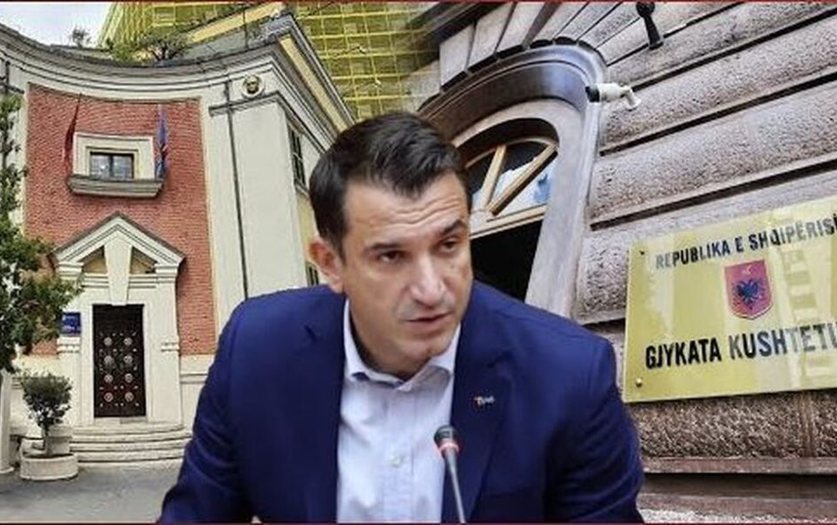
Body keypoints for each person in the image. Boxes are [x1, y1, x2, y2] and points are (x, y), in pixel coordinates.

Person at [159, 113, 644, 522]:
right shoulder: (255, 353)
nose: (432, 290)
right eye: (391, 256)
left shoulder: (569, 377)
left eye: (449, 245)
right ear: (330, 263)